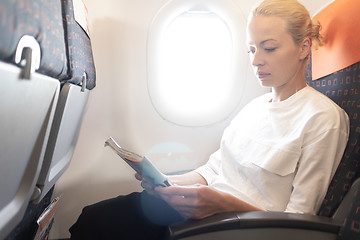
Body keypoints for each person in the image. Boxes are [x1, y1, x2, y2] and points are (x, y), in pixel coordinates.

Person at [69, 0, 349, 239]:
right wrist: (169, 181)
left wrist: (223, 203)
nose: (255, 61)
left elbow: (298, 220)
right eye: (251, 50)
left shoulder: (323, 119)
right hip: (206, 210)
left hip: (239, 228)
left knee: (99, 225)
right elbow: (214, 170)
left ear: (303, 48)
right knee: (91, 217)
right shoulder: (254, 108)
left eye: (269, 48)